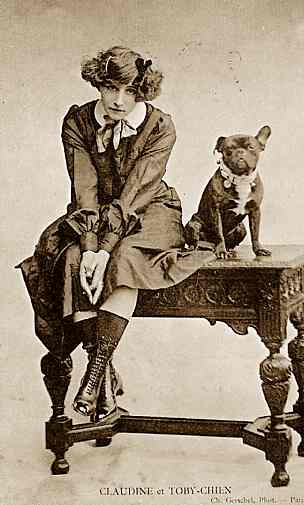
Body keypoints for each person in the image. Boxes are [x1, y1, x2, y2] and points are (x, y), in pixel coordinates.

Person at [18, 46, 214, 422]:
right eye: (110, 89)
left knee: (126, 257)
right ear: (98, 84)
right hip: (92, 214)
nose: (119, 101)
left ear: (142, 91)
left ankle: (93, 378)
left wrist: (105, 249)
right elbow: (84, 187)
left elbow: (136, 190)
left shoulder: (160, 126)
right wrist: (90, 245)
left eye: (130, 92)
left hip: (149, 210)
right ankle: (104, 377)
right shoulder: (77, 122)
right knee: (72, 259)